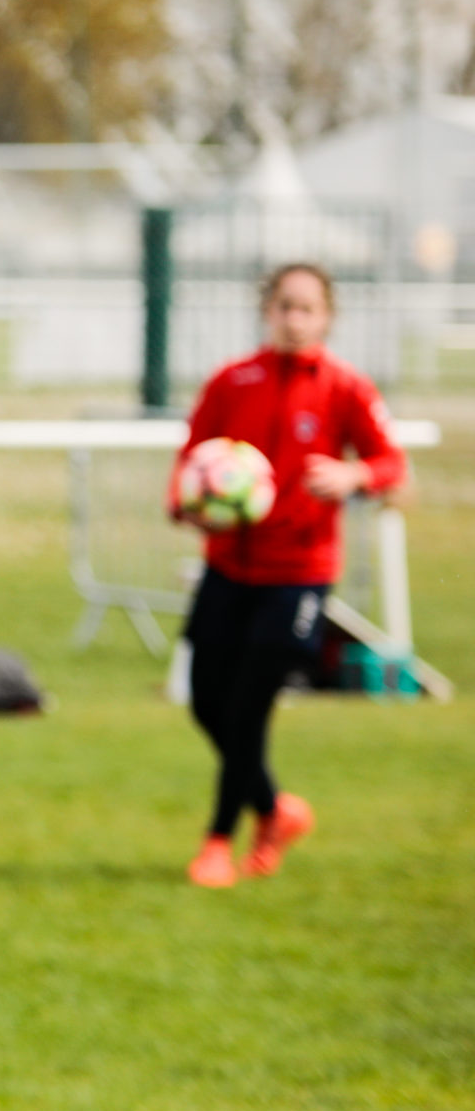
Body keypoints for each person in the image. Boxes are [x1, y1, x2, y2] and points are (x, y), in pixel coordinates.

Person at [174, 263, 405, 890]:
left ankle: (219, 841)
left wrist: (353, 476)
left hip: (298, 574)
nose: (293, 318)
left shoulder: (346, 388)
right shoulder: (232, 381)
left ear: (326, 317)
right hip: (228, 566)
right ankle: (276, 811)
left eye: (306, 308)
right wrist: (188, 503)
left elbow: (390, 461)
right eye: (283, 306)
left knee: (248, 707)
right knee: (205, 701)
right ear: (266, 311)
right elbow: (193, 456)